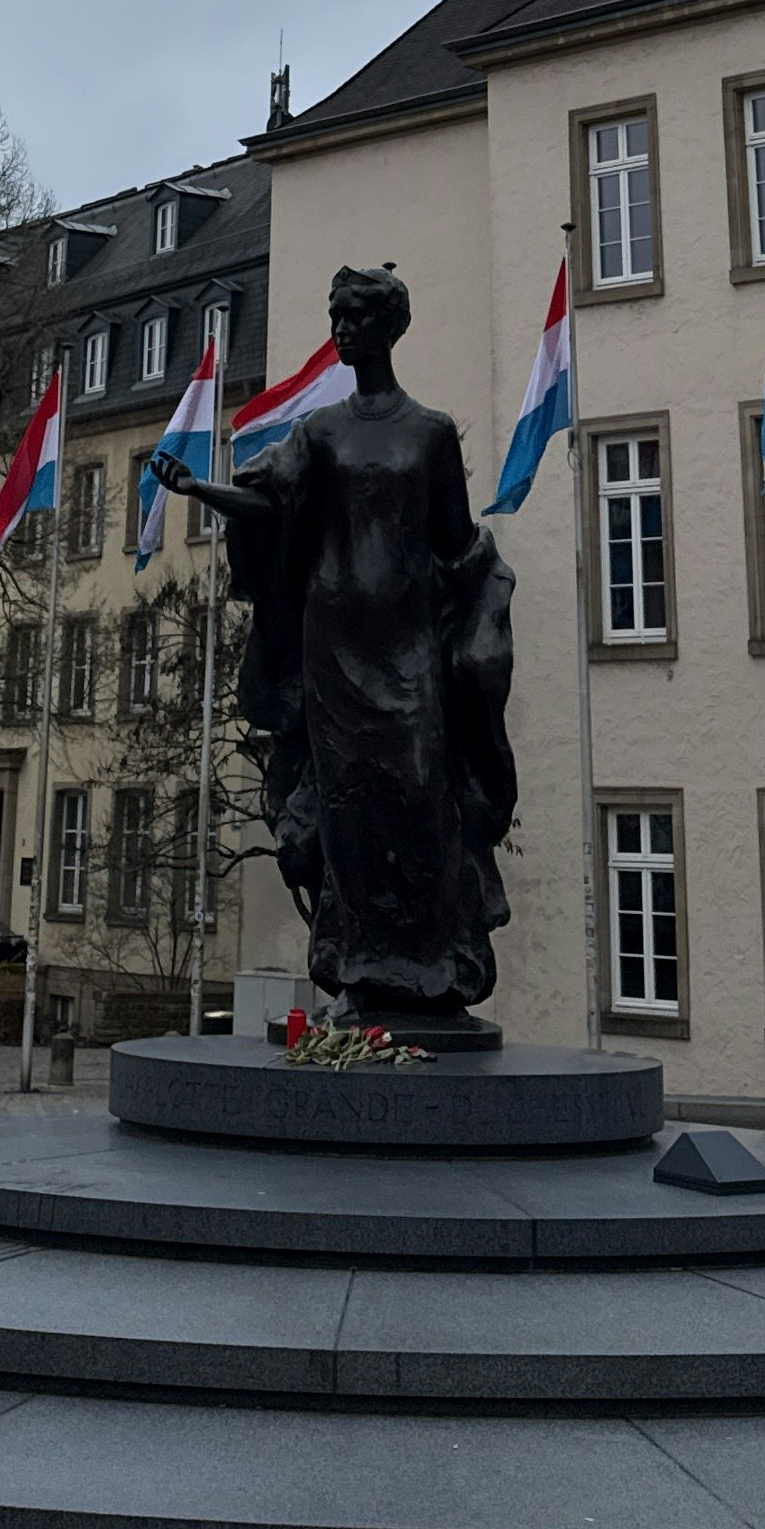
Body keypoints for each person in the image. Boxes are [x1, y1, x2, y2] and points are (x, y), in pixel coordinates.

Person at [149, 261, 516, 1042]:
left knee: (420, 796)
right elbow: (269, 507)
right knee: (348, 810)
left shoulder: (430, 433)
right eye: (336, 316)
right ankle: (359, 973)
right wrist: (198, 489)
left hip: (410, 646)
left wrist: (482, 627)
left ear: (388, 328)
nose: (342, 330)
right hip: (333, 649)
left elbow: (458, 544)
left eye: (355, 317)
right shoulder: (319, 432)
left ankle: (435, 970)